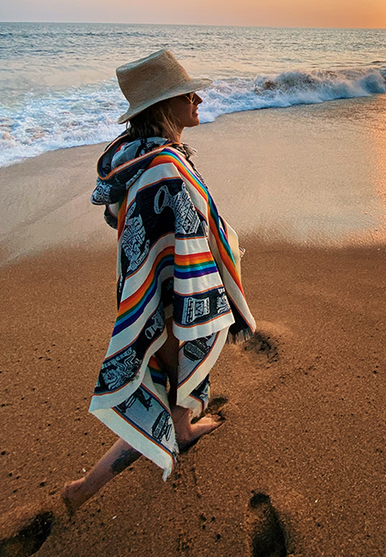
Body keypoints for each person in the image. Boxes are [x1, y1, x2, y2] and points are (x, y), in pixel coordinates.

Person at [62, 49, 256, 513]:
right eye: (187, 94)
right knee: (169, 384)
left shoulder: (137, 158)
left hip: (152, 283)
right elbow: (177, 233)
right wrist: (192, 288)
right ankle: (83, 489)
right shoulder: (162, 167)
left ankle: (184, 430)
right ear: (165, 106)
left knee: (181, 372)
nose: (199, 99)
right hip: (170, 294)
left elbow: (124, 219)